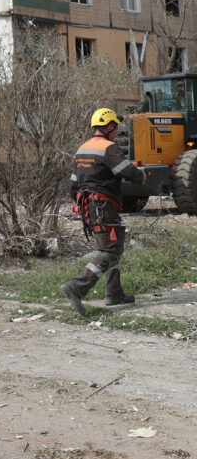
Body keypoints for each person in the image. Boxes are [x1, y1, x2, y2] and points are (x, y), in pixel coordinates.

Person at [61, 108, 146, 315]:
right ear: (108, 127)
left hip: (90, 206)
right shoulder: (110, 148)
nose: (116, 132)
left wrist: (83, 206)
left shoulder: (82, 149)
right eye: (115, 127)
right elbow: (127, 171)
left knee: (110, 245)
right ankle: (77, 286)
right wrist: (141, 175)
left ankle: (114, 293)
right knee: (111, 250)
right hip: (103, 206)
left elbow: (73, 185)